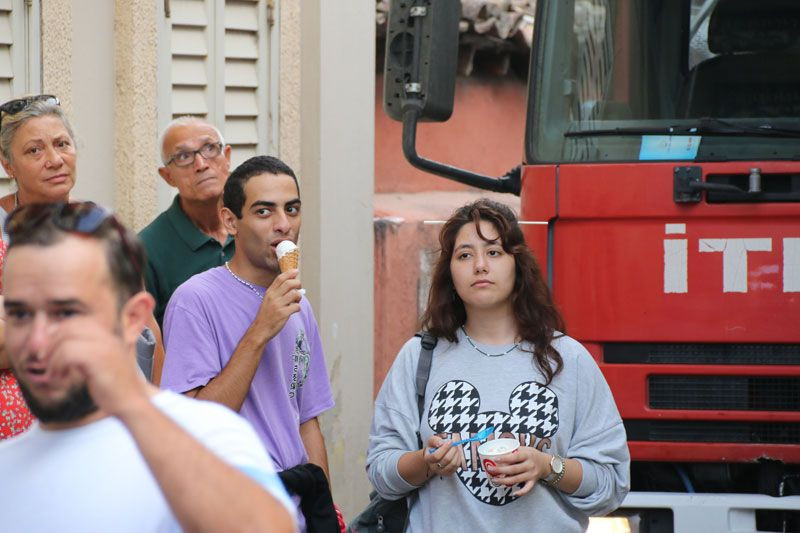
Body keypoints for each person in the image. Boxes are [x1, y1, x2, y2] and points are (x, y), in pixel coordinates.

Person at [0, 201, 296, 532]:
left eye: (66, 312)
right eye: (20, 314)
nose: (37, 341)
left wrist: (130, 404)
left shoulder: (210, 435)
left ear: (133, 319)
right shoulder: (6, 471)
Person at [366, 199, 630, 532]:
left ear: (518, 265)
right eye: (464, 255)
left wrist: (547, 466)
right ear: (450, 271)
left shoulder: (568, 360)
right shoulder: (419, 356)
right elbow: (380, 471)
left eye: (493, 252)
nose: (479, 265)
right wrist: (426, 463)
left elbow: (611, 484)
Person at [160, 155, 336, 532]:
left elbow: (307, 421)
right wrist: (260, 330)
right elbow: (194, 426)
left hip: (297, 511)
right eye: (264, 211)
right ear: (230, 221)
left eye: (292, 209)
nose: (283, 225)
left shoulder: (299, 304)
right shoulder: (195, 300)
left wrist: (326, 514)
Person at [0, 94, 163, 438]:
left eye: (62, 144)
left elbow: (144, 327)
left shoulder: (101, 226)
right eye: (34, 150)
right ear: (8, 165)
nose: (55, 159)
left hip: (103, 427)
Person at [139, 116, 234, 329]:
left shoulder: (252, 226)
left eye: (210, 148)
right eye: (183, 156)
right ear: (167, 176)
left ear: (226, 157)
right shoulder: (146, 250)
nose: (201, 164)